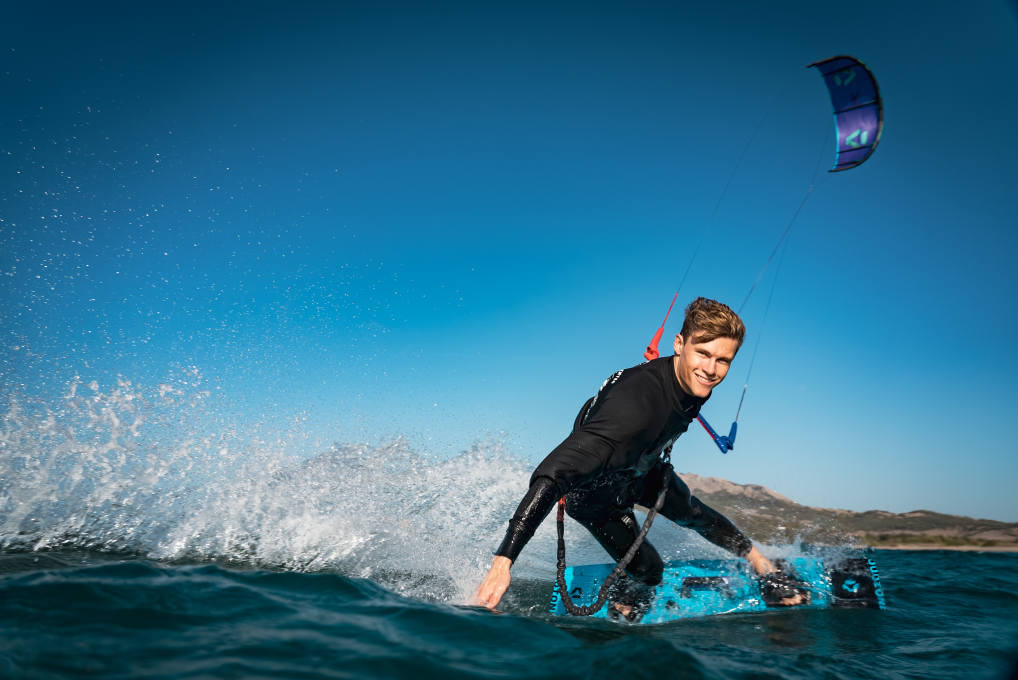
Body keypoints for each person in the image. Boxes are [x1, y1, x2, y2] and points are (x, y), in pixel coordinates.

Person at [472, 297, 804, 617]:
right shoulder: (633, 410)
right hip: (597, 494)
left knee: (692, 510)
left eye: (723, 360)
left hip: (641, 467)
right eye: (703, 354)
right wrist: (503, 563)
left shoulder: (691, 382)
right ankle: (626, 594)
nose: (711, 369)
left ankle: (759, 560)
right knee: (650, 571)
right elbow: (553, 473)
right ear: (679, 344)